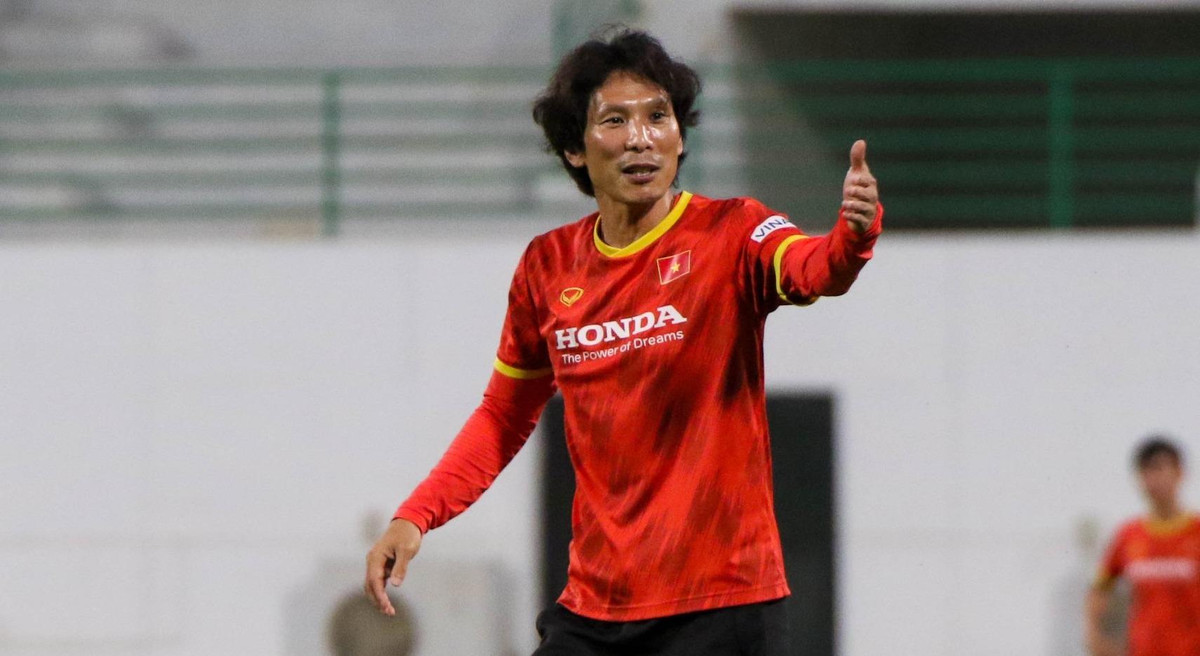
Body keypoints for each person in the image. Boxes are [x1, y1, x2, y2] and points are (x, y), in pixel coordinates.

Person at [364, 29, 882, 655]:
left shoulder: (732, 231)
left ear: (680, 137)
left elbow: (812, 270)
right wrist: (417, 514)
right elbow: (503, 415)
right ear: (574, 149)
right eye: (615, 120)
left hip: (722, 606)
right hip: (596, 609)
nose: (641, 138)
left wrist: (851, 237)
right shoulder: (547, 266)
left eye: (658, 117)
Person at [1087, 436, 1200, 656]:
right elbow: (1100, 589)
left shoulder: (1195, 532)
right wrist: (1094, 637)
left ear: (1179, 472)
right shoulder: (1128, 536)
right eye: (1145, 472)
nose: (1153, 480)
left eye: (1159, 469)